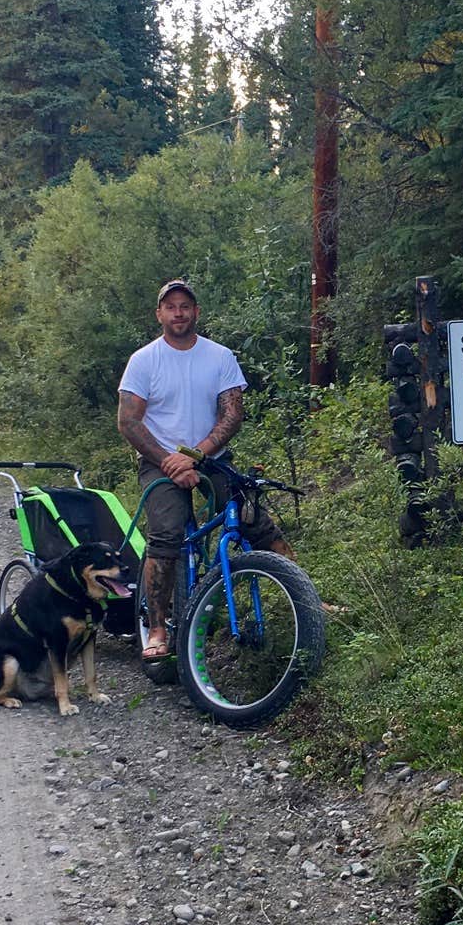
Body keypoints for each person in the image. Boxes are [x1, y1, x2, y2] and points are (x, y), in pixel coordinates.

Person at [116, 282, 285, 659]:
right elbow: (128, 422)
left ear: (197, 312)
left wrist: (195, 456)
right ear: (159, 314)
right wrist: (168, 461)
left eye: (185, 306)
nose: (178, 313)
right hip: (159, 461)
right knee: (166, 533)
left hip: (211, 458)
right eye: (171, 307)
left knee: (253, 516)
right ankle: (157, 627)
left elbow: (232, 413)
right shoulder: (144, 360)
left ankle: (305, 597)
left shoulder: (220, 356)